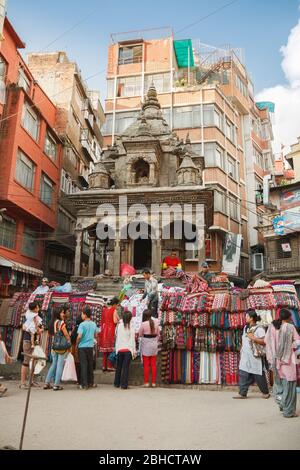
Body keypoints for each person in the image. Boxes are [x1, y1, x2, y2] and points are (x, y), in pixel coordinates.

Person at [265, 309, 300, 418]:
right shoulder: (290, 327)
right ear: (289, 317)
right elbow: (298, 342)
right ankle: (288, 412)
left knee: (279, 385)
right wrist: (290, 345)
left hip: (276, 361)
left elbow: (267, 341)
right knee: (289, 386)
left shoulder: (272, 327)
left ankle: (281, 404)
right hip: (287, 361)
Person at [233, 311, 270, 399]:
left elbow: (264, 342)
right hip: (245, 355)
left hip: (255, 356)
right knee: (243, 373)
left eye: (247, 316)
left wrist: (253, 337)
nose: (245, 318)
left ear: (252, 318)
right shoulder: (245, 327)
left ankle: (265, 392)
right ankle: (242, 393)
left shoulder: (259, 329)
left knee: (259, 374)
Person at [44, 306, 71, 391]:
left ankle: (47, 383)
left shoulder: (53, 322)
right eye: (62, 312)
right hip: (61, 347)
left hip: (54, 346)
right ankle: (56, 385)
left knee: (53, 364)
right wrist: (69, 342)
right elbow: (66, 335)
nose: (63, 314)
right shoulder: (61, 323)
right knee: (59, 365)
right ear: (58, 313)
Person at [20, 302, 43, 390]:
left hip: (35, 340)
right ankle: (22, 383)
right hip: (27, 340)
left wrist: (39, 329)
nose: (38, 308)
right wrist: (35, 329)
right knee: (26, 361)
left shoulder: (37, 317)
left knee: (34, 360)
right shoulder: (28, 317)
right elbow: (23, 327)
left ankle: (31, 381)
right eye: (37, 307)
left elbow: (40, 329)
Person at [76, 306, 99, 390]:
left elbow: (79, 336)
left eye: (82, 313)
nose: (81, 315)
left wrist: (77, 343)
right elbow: (96, 335)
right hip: (90, 347)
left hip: (82, 347)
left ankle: (84, 384)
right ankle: (91, 382)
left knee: (83, 365)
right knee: (90, 365)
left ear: (85, 315)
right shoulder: (93, 324)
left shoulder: (82, 324)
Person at [114, 311, 136, 390]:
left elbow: (116, 336)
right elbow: (132, 340)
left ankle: (116, 383)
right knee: (125, 368)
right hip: (128, 350)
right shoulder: (131, 327)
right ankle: (124, 385)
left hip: (119, 349)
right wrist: (133, 351)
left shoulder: (119, 326)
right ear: (130, 318)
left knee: (119, 367)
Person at [139, 309, 160, 388]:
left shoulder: (143, 324)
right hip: (154, 345)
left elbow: (140, 334)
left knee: (146, 365)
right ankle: (154, 383)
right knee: (153, 365)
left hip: (146, 345)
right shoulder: (156, 323)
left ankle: (146, 382)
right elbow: (158, 334)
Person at [99, 297, 120, 372]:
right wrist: (119, 321)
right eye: (117, 305)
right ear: (114, 304)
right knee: (111, 349)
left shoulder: (105, 310)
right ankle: (109, 366)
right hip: (111, 329)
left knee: (105, 350)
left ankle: (104, 366)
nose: (117, 306)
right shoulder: (114, 310)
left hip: (104, 330)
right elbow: (114, 321)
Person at [70, 315, 83, 386]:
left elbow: (72, 338)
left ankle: (77, 380)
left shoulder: (75, 328)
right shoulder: (80, 328)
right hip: (78, 347)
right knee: (79, 364)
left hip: (73, 348)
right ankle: (79, 380)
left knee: (76, 364)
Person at [0, 333, 13, 397]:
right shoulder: (2, 342)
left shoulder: (1, 342)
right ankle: (2, 388)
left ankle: (2, 387)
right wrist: (8, 356)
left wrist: (8, 357)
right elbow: (5, 351)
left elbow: (5, 351)